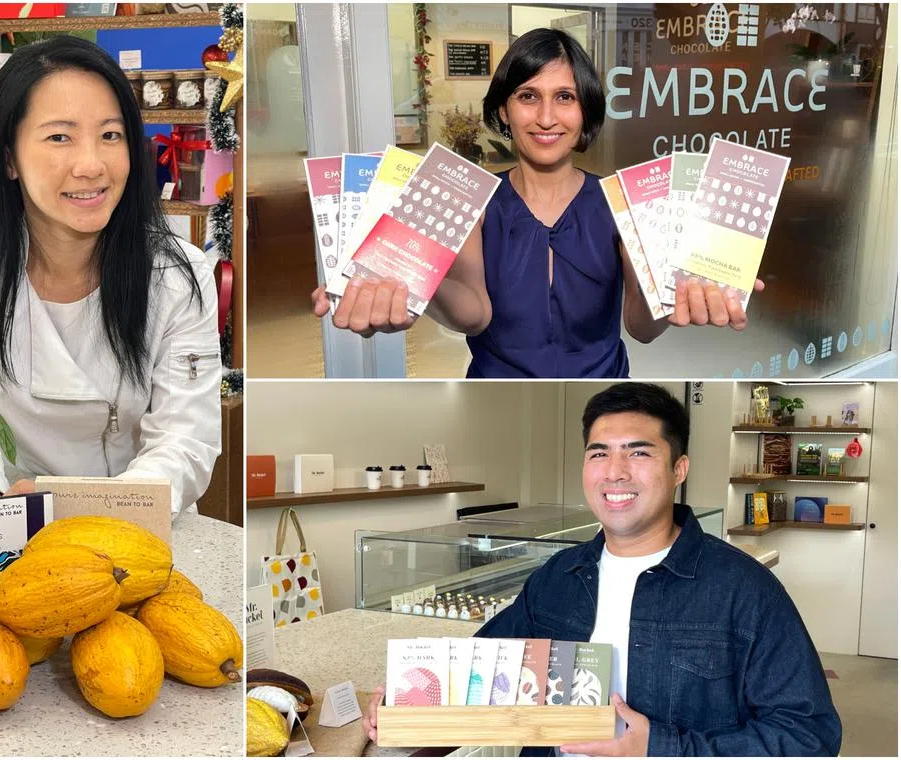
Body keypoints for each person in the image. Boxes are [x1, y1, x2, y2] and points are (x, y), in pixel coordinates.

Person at [363, 383, 841, 756]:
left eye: (638, 452)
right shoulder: (556, 580)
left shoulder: (745, 591)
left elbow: (808, 737)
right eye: (598, 453)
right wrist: (410, 709)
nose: (615, 471)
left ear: (679, 469)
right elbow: (477, 679)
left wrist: (659, 749)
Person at [312, 28, 764, 378]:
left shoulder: (621, 202)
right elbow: (474, 313)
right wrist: (411, 288)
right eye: (528, 96)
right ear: (505, 111)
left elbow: (641, 328)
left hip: (603, 392)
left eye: (564, 97)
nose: (546, 117)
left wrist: (677, 294)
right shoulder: (473, 199)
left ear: (584, 109)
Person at [0, 36, 220, 515]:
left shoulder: (177, 275)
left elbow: (186, 440)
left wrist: (97, 512)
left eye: (111, 135)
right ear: (8, 157)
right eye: (59, 137)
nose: (92, 165)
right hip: (5, 523)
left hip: (138, 522)